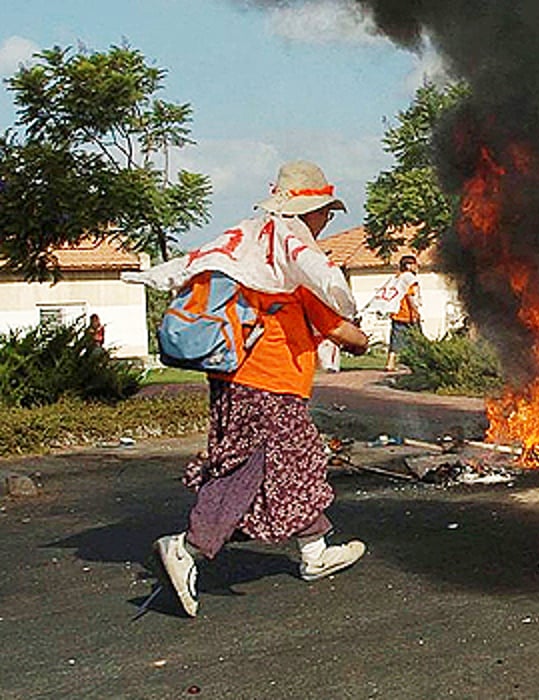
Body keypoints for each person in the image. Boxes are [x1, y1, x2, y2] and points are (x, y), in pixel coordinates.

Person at [126, 161, 370, 617]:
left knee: (295, 463)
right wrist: (363, 339)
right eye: (324, 213)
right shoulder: (289, 259)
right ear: (308, 211)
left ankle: (315, 551)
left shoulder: (248, 252)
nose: (326, 221)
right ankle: (188, 547)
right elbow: (335, 326)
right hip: (268, 386)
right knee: (250, 470)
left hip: (237, 382)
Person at [365, 254, 422, 372]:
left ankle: (390, 363)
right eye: (415, 264)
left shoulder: (396, 277)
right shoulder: (409, 278)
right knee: (417, 339)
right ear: (409, 266)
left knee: (396, 339)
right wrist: (415, 311)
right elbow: (410, 296)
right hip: (407, 313)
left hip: (396, 312)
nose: (417, 266)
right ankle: (418, 364)